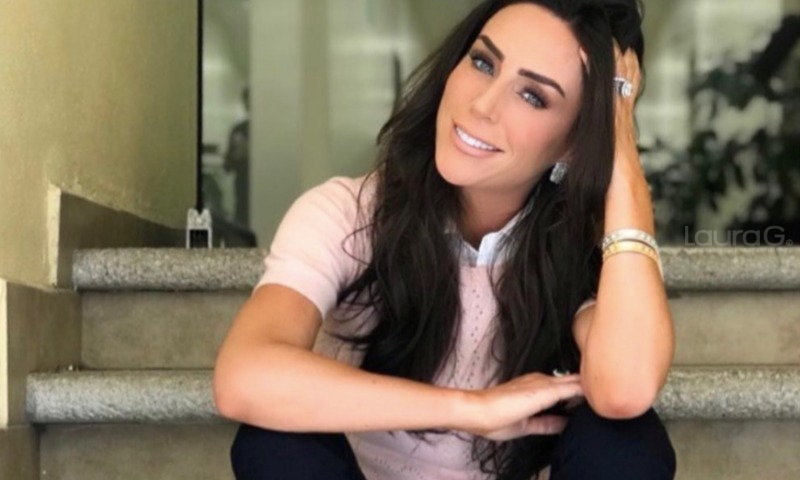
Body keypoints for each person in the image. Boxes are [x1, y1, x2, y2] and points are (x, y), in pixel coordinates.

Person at [213, 0, 677, 478]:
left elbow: (625, 389)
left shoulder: (603, 251)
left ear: (575, 143)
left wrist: (620, 152)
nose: (482, 105)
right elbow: (245, 375)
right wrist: (471, 409)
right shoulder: (349, 214)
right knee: (273, 438)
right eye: (483, 63)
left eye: (533, 96)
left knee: (626, 440)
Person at [224, 87, 251, 226]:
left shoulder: (267, 131)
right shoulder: (238, 130)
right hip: (242, 187)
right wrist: (239, 155)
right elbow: (227, 165)